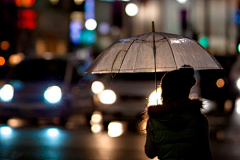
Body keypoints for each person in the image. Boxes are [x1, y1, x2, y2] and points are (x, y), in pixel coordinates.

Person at [143, 65, 212, 160]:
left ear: (164, 92)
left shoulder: (154, 121)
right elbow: (205, 153)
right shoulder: (199, 119)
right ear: (186, 91)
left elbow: (150, 153)